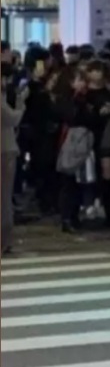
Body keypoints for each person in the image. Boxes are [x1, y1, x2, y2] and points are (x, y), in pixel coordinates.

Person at [1, 65, 25, 255]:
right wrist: (20, 103)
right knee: (4, 198)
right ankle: (4, 240)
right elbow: (12, 119)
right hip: (5, 150)